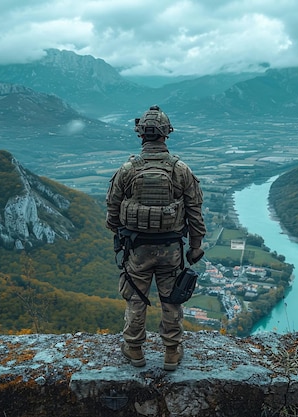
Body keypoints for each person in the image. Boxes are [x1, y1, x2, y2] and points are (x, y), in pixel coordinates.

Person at [105, 105, 206, 371]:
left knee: (136, 298)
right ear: (166, 135)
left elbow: (112, 211)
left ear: (141, 135)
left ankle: (135, 350)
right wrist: (195, 247)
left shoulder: (127, 169)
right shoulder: (180, 169)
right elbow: (195, 211)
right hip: (170, 248)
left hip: (136, 248)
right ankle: (171, 353)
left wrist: (121, 233)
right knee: (171, 299)